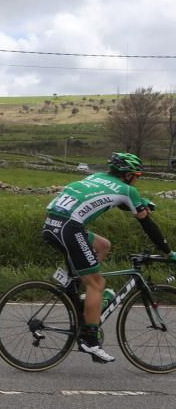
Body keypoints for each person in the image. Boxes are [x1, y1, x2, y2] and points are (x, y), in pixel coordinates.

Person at [43, 151, 175, 363]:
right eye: (137, 176)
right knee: (98, 283)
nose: (137, 180)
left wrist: (141, 202)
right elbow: (148, 225)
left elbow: (116, 199)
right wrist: (168, 253)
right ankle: (90, 341)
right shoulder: (128, 190)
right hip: (70, 229)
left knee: (103, 245)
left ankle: (83, 298)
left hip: (53, 224)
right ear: (129, 174)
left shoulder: (95, 177)